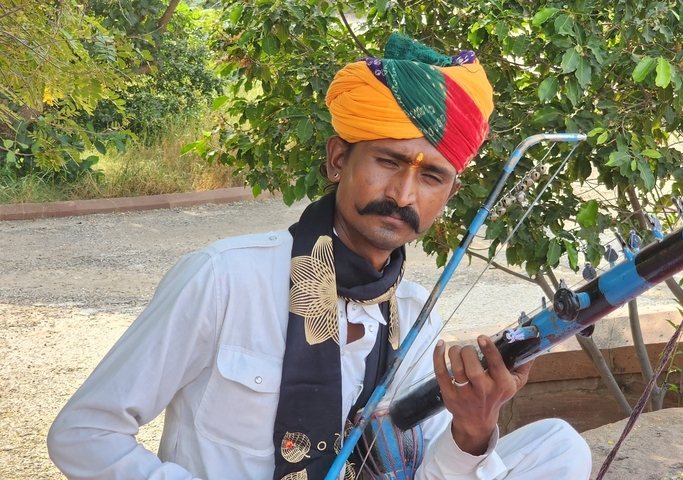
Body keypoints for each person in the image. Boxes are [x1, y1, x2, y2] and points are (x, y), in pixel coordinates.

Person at [47, 34, 591, 480]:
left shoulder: (416, 316)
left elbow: (420, 475)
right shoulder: (226, 278)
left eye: (430, 177)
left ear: (447, 196)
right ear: (337, 160)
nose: (403, 195)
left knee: (559, 447)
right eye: (387, 161)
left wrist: (472, 433)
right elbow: (85, 434)